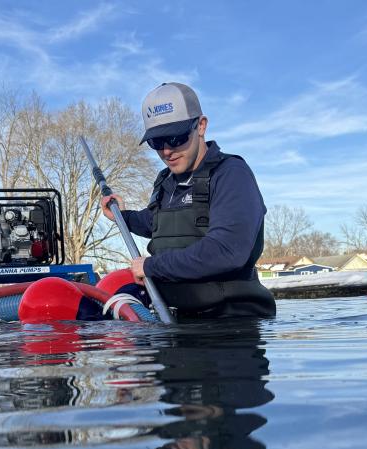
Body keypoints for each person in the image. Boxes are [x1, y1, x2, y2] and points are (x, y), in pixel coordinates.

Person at [101, 82, 276, 319]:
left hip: (228, 326)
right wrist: (123, 216)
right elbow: (158, 223)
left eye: (175, 137)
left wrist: (152, 266)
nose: (166, 151)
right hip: (176, 319)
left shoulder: (232, 174)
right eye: (156, 142)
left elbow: (226, 250)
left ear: (201, 126)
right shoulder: (166, 181)